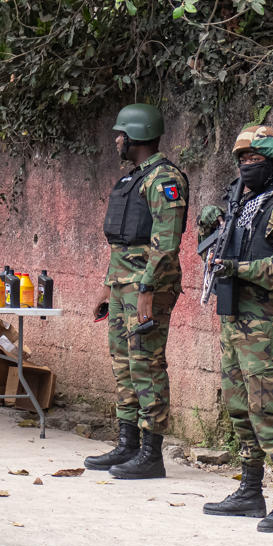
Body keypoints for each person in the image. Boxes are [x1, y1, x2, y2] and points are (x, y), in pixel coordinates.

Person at [196, 125, 273, 532]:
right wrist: (208, 228)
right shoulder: (242, 204)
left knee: (270, 409)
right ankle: (250, 490)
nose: (247, 166)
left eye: (255, 160)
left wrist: (238, 269)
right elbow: (217, 251)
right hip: (233, 320)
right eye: (242, 160)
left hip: (264, 325)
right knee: (238, 406)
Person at [84, 103, 189, 480]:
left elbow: (166, 245)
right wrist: (105, 286)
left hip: (149, 289)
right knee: (123, 364)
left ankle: (151, 453)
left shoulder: (164, 181)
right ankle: (127, 443)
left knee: (146, 365)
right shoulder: (135, 179)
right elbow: (122, 245)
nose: (116, 140)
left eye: (120, 134)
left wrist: (146, 289)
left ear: (135, 136)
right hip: (122, 286)